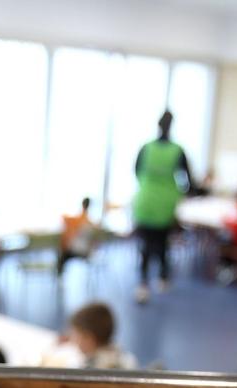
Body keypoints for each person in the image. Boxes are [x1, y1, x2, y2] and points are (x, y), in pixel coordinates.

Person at [132, 110, 191, 303]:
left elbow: (136, 171)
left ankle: (143, 283)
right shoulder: (177, 150)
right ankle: (162, 278)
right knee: (163, 243)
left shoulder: (146, 148)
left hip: (145, 201)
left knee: (146, 244)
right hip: (166, 204)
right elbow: (190, 181)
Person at [68, 302, 137, 370]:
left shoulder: (89, 368)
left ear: (88, 338)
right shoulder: (127, 359)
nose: (73, 341)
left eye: (75, 335)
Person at [59, 197, 98, 272]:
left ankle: (59, 277)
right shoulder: (91, 222)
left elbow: (64, 218)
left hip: (78, 252)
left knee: (63, 253)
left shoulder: (78, 220)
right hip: (87, 252)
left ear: (82, 205)